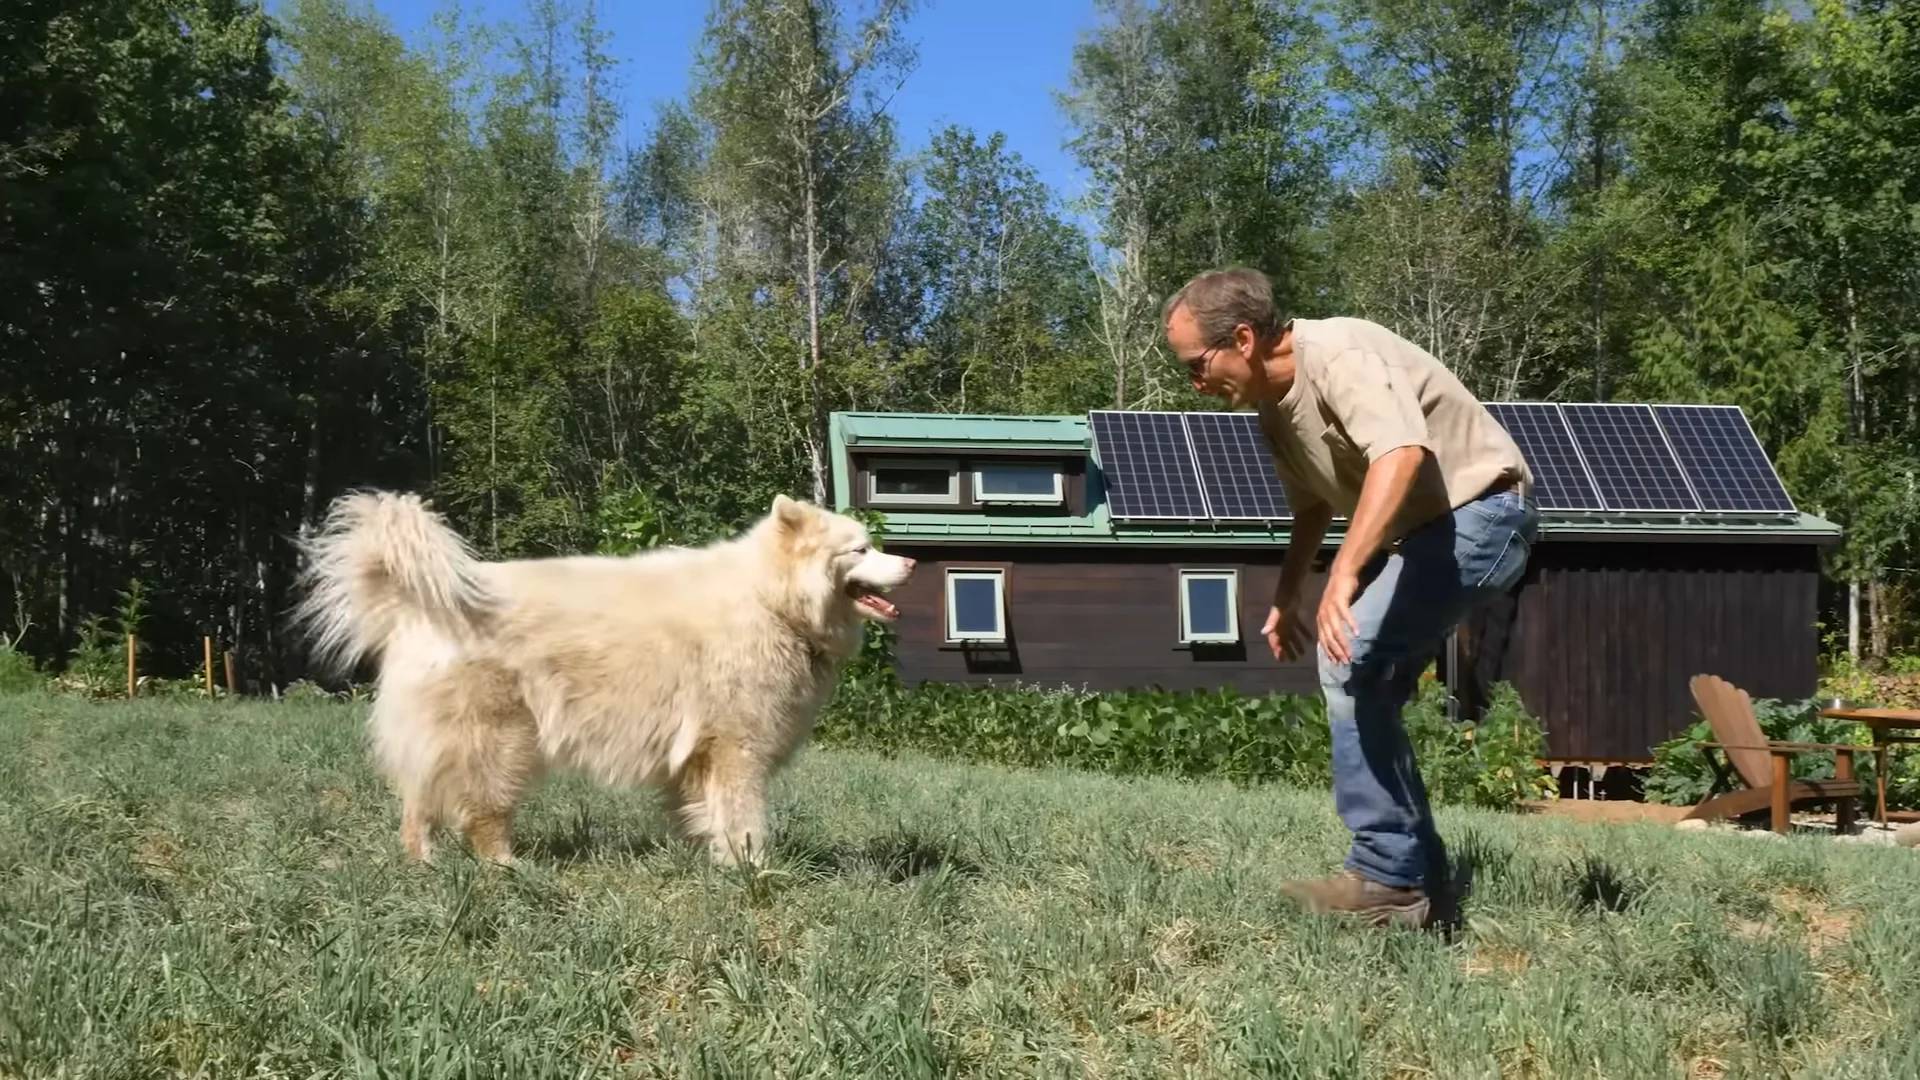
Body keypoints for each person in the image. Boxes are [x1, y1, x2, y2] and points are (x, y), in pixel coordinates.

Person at [1160, 266, 1537, 930]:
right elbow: (1312, 502)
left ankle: (1388, 877)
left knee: (1349, 659)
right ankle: (1418, 880)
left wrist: (1343, 577)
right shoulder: (1272, 407)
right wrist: (1288, 593)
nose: (1195, 384)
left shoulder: (1339, 354)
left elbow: (1400, 454)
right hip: (1429, 536)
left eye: (1198, 365)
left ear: (1242, 339)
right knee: (1366, 679)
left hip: (1482, 515)